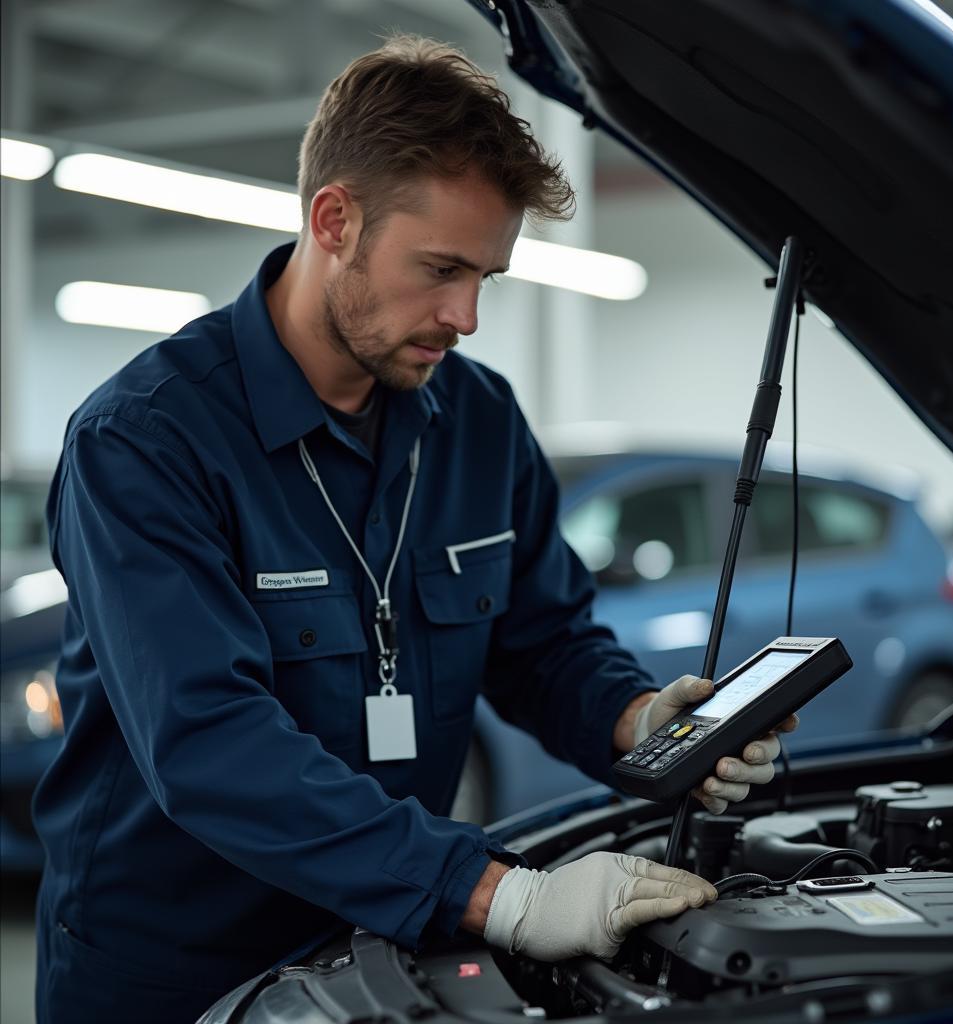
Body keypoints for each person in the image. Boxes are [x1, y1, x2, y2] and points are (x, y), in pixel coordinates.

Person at [33, 36, 796, 1024]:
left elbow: (545, 642)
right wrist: (500, 892)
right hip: (171, 971)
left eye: (487, 275)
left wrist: (644, 723)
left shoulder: (478, 426)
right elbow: (211, 741)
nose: (466, 315)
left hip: (380, 951)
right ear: (334, 219)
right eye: (439, 268)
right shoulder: (143, 442)